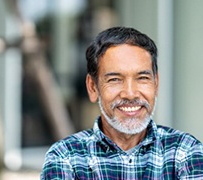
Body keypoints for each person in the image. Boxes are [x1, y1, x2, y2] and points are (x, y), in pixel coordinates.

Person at [40, 27, 203, 179]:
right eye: (115, 80)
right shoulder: (65, 157)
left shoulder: (185, 151)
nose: (130, 93)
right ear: (92, 87)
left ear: (156, 83)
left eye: (142, 78)